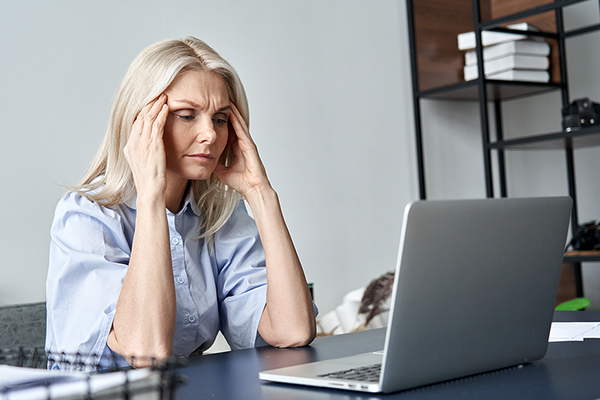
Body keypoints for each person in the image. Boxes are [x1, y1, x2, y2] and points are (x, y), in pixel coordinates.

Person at [45, 37, 317, 369]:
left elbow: (293, 331)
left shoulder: (219, 215)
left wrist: (261, 194)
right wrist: (150, 197)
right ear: (141, 122)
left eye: (219, 119)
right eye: (187, 115)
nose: (210, 135)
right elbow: (145, 351)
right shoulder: (85, 216)